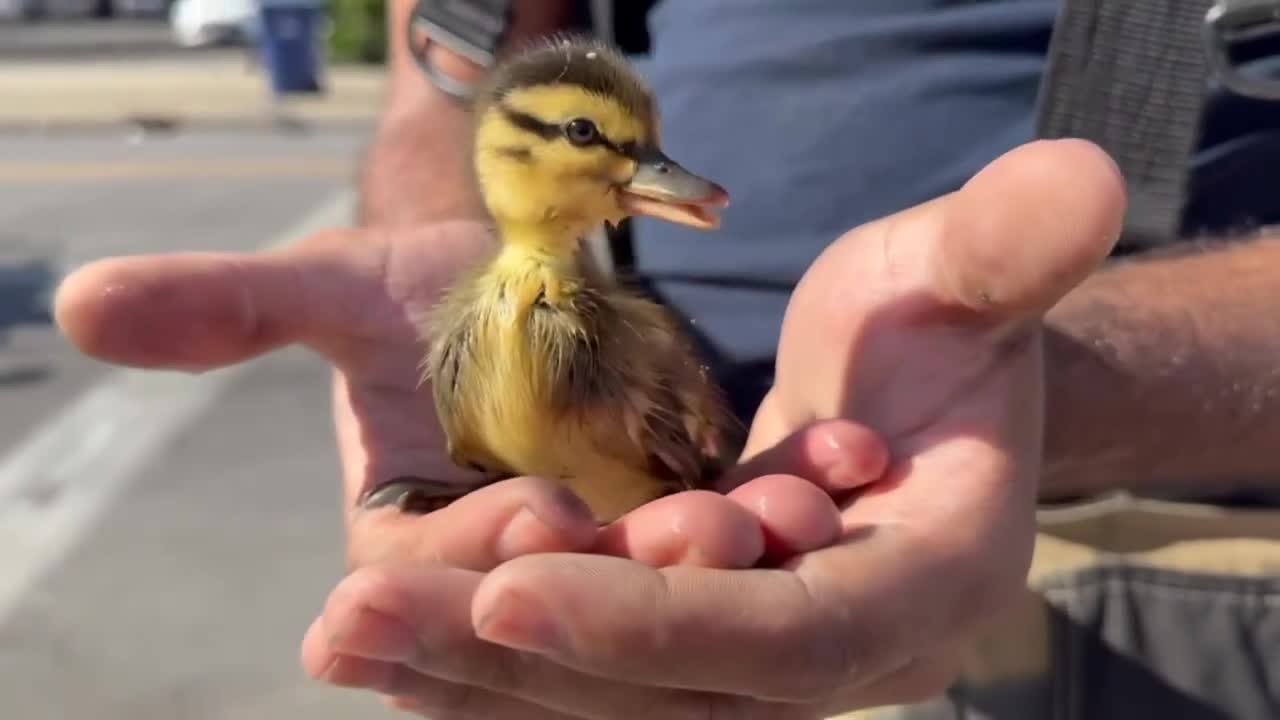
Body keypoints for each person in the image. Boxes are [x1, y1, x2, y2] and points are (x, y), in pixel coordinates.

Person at [51, 1, 1280, 718]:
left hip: (1183, 562)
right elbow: (461, 64)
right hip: (736, 515)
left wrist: (1051, 371)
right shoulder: (494, 314)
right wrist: (426, 223)